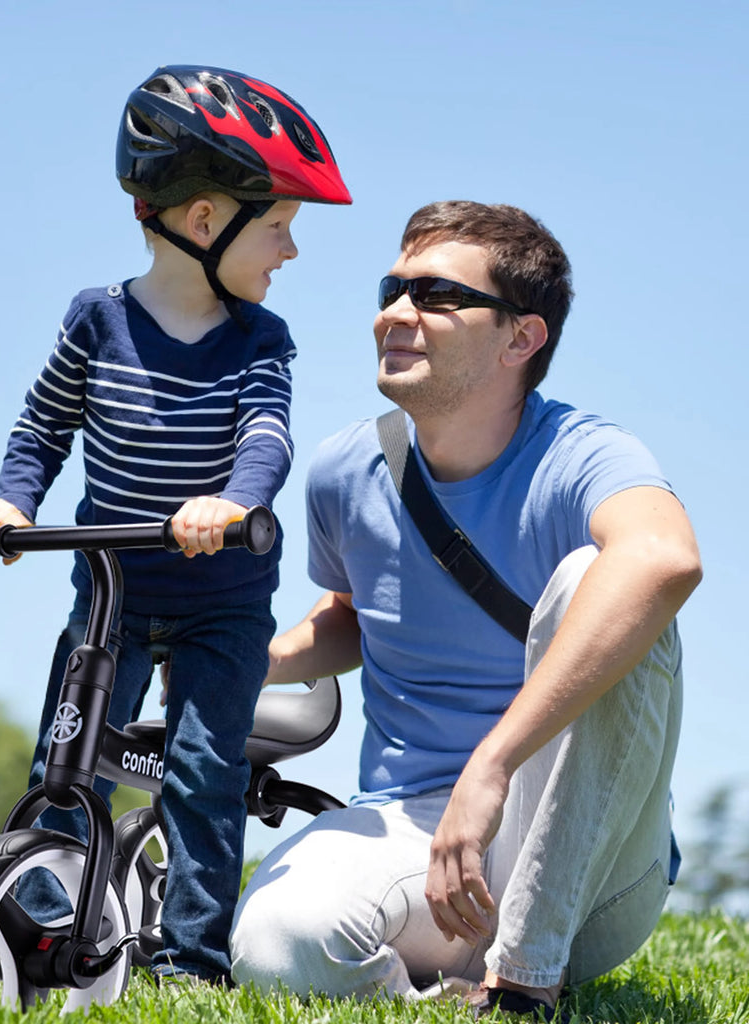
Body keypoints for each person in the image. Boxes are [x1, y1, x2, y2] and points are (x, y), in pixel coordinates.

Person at [229, 200, 701, 1019]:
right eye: (393, 288)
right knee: (275, 943)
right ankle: (445, 1000)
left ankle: (526, 979)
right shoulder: (347, 468)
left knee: (602, 576)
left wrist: (492, 766)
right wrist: (247, 658)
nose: (394, 314)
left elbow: (665, 559)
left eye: (437, 296)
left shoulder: (582, 454)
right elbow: (354, 612)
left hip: (590, 862)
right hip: (416, 838)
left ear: (522, 338)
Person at [0, 65, 351, 984]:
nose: (290, 252)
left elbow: (266, 436)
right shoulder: (96, 321)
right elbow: (43, 425)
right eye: (281, 227)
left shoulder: (263, 339)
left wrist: (235, 502)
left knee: (202, 773)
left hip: (222, 600)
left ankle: (189, 958)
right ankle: (41, 919)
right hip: (113, 589)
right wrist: (10, 503)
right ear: (205, 222)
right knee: (67, 756)